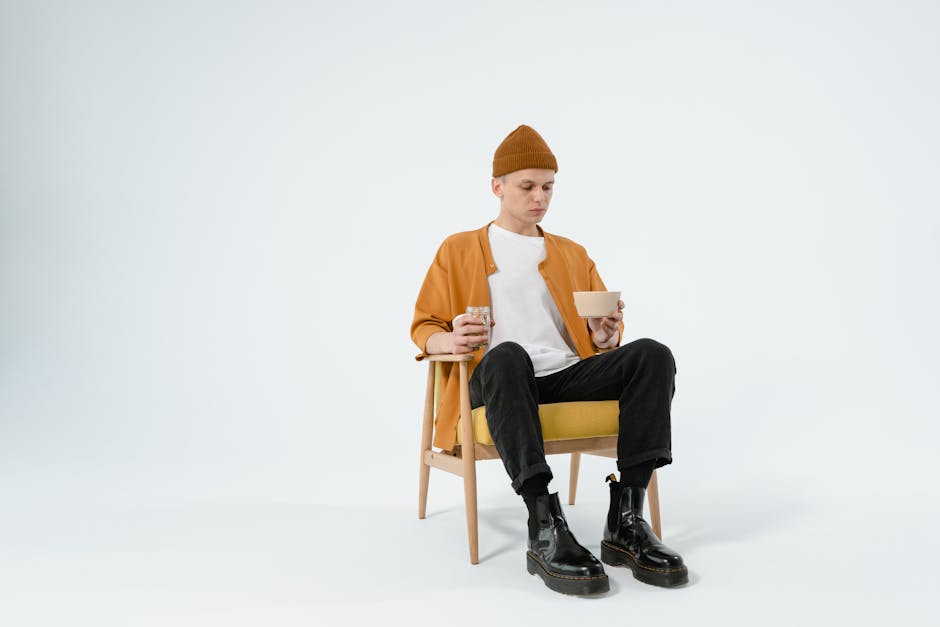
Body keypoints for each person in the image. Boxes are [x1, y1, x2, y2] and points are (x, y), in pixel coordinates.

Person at [410, 124, 688, 595]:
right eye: (527, 186)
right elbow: (424, 327)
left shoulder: (570, 252)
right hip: (496, 379)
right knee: (507, 355)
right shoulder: (458, 249)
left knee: (652, 355)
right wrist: (449, 340)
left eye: (547, 187)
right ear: (497, 187)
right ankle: (544, 523)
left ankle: (626, 520)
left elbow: (598, 337)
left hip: (563, 374)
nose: (539, 197)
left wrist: (603, 335)